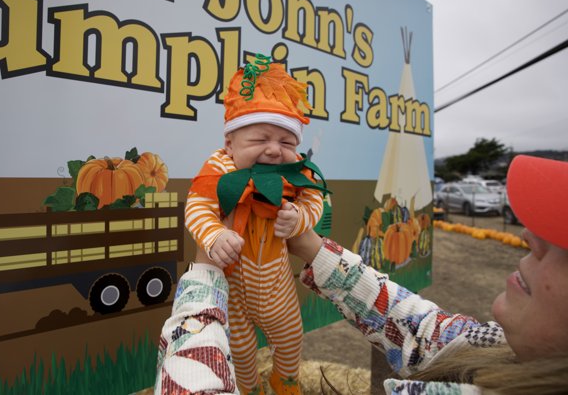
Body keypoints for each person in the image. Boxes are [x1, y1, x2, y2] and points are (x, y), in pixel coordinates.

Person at [155, 153, 568, 395]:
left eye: (564, 246)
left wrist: (205, 273)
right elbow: (420, 330)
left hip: (264, 297)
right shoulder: (501, 353)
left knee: (286, 340)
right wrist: (309, 244)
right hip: (248, 298)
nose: (530, 237)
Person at [180, 56, 328, 395]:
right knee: (240, 351)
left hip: (276, 284)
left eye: (287, 142)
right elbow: (197, 206)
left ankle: (285, 380)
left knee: (291, 335)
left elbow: (314, 202)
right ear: (230, 144)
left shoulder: (297, 173)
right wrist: (214, 234)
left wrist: (297, 220)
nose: (275, 150)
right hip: (232, 288)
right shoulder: (219, 167)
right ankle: (249, 389)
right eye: (260, 139)